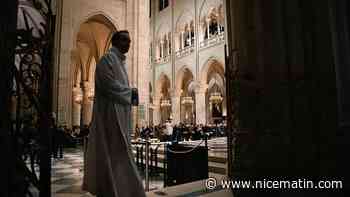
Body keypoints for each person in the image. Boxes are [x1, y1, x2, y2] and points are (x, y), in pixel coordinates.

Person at [82, 30, 146, 197]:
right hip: (110, 118)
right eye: (125, 40)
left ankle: (123, 189)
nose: (129, 43)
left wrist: (130, 93)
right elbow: (108, 85)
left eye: (130, 41)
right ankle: (113, 190)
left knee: (120, 155)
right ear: (115, 42)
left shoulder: (120, 63)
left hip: (121, 118)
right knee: (113, 154)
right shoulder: (107, 60)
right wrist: (130, 93)